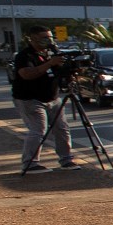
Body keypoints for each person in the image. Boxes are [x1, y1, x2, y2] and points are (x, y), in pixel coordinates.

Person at [11, 24, 78, 172]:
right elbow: (26, 74)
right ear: (33, 38)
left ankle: (66, 160)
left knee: (61, 129)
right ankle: (30, 163)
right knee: (38, 130)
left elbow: (60, 74)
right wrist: (49, 64)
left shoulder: (51, 54)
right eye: (44, 38)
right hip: (30, 99)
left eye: (50, 37)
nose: (48, 40)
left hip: (52, 98)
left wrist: (67, 70)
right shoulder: (25, 56)